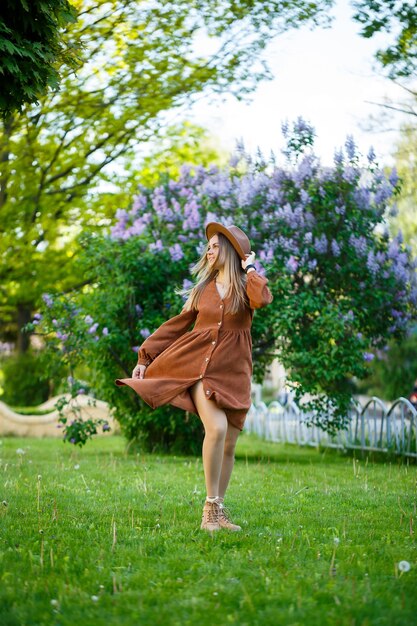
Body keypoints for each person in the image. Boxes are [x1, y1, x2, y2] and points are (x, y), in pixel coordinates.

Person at [116, 222, 273, 532]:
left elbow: (263, 298)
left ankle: (219, 509)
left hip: (236, 372)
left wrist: (250, 266)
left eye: (215, 245)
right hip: (201, 368)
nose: (209, 250)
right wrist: (145, 357)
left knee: (228, 444)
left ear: (230, 250)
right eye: (209, 246)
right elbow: (177, 325)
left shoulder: (247, 287)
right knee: (215, 428)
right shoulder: (202, 290)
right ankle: (209, 512)